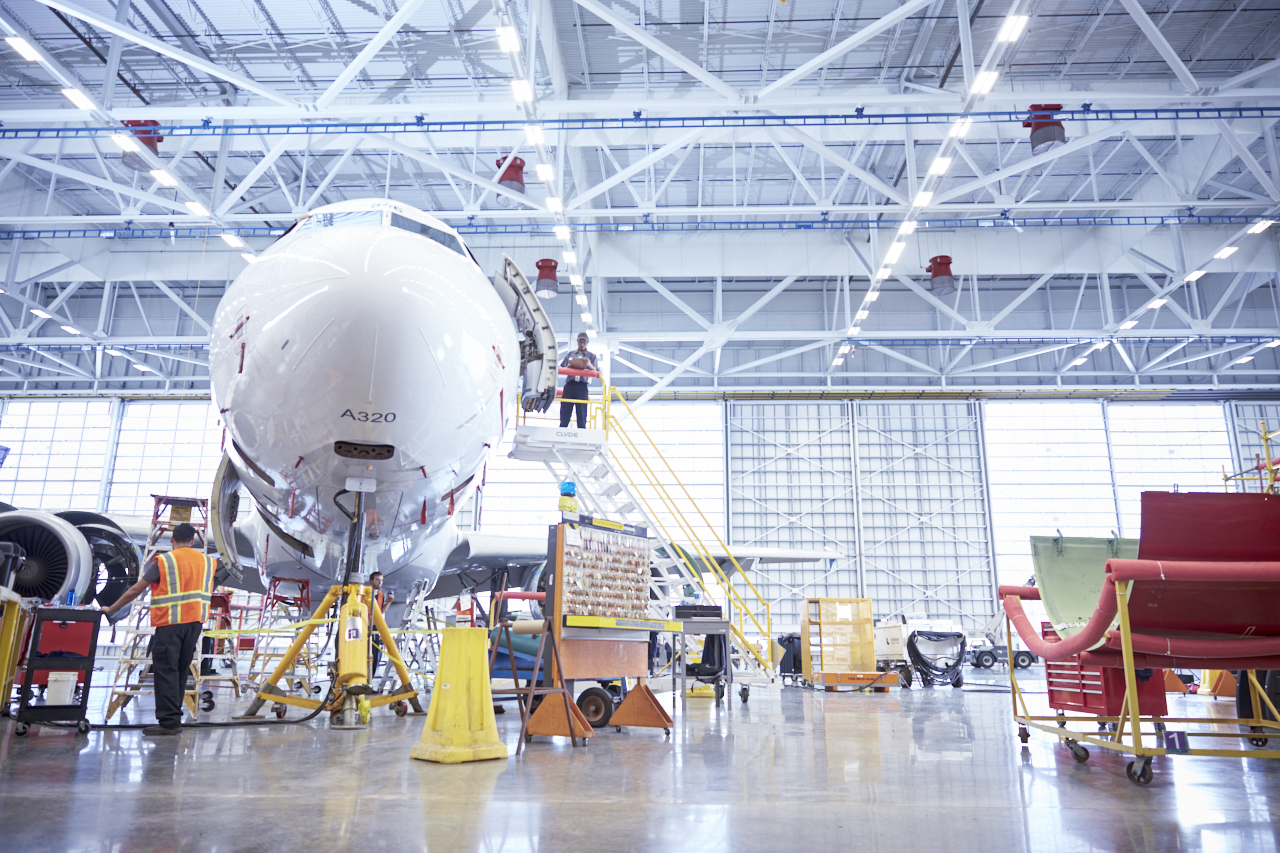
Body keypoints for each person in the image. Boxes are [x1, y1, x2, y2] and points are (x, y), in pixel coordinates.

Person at [102, 523, 216, 736]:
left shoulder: (164, 561)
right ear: (193, 541)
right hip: (194, 625)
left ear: (172, 539)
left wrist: (112, 608)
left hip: (170, 624)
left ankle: (169, 722)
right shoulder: (208, 562)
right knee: (181, 670)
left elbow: (136, 589)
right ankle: (174, 718)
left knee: (165, 670)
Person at [559, 332, 598, 429]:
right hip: (570, 385)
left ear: (587, 342)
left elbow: (596, 371)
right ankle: (562, 428)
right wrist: (569, 367)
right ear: (577, 341)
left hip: (582, 386)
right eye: (580, 342)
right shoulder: (570, 354)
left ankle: (582, 430)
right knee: (565, 408)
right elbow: (562, 367)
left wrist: (589, 364)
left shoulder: (592, 356)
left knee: (581, 410)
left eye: (584, 342)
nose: (582, 344)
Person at [369, 571, 394, 677]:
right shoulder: (365, 593)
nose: (380, 582)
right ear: (371, 581)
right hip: (364, 625)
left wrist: (388, 602)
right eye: (377, 580)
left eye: (381, 580)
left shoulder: (381, 594)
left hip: (375, 626)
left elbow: (380, 612)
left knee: (374, 655)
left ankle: (370, 679)